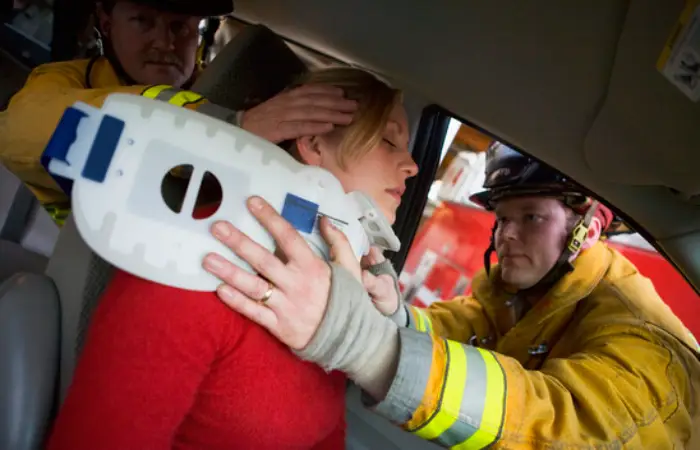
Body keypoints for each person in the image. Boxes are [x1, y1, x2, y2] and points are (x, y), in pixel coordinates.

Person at [204, 143, 700, 449]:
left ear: (587, 230)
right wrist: (390, 312)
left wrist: (366, 345)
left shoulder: (644, 345)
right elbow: (454, 329)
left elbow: (558, 420)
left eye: (531, 218)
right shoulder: (519, 296)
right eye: (502, 219)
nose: (506, 235)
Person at [46, 67, 419, 450]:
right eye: (390, 142)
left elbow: (325, 435)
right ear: (314, 143)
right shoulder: (192, 269)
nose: (413, 166)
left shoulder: (329, 304)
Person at [0, 0, 357, 226]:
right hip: (98, 277)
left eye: (181, 27)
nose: (165, 43)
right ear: (106, 21)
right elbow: (21, 131)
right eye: (143, 20)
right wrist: (226, 130)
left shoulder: (245, 101)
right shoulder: (64, 82)